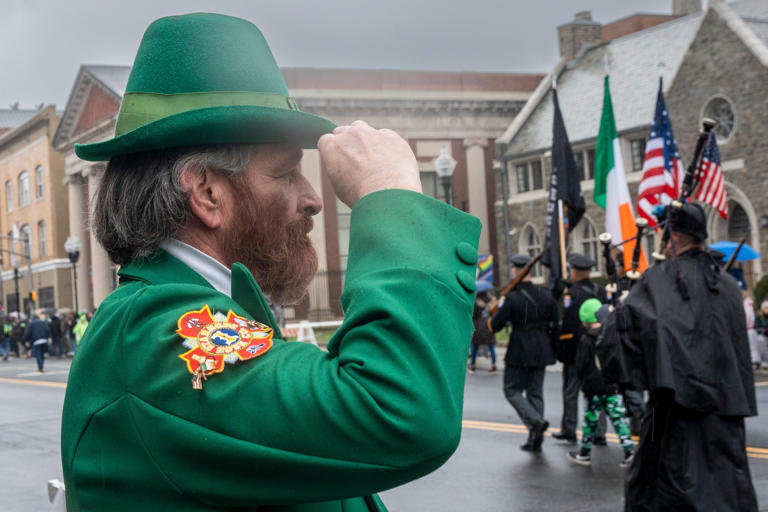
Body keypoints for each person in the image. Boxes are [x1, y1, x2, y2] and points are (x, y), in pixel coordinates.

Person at [61, 13, 481, 512]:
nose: (312, 199)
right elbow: (396, 411)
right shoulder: (154, 334)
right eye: (285, 174)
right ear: (208, 193)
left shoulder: (204, 315)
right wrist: (390, 199)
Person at [612, 203, 758, 511]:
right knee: (724, 494)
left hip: (677, 416)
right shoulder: (730, 286)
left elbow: (623, 341)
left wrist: (618, 314)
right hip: (726, 415)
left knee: (670, 496)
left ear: (675, 238)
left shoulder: (659, 280)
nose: (664, 245)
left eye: (666, 238)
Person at [489, 254, 557, 451]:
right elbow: (554, 322)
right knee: (535, 393)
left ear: (515, 270)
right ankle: (535, 439)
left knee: (511, 390)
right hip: (542, 348)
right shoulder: (546, 295)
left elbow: (495, 326)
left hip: (520, 350)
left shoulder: (511, 297)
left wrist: (492, 316)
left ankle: (535, 422)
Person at [567, 299, 634, 468]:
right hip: (612, 386)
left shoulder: (586, 339)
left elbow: (581, 365)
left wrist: (582, 380)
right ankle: (630, 452)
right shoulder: (611, 334)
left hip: (593, 389)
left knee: (590, 421)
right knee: (619, 420)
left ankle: (584, 453)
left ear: (585, 320)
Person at [551, 253, 607, 444]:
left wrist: (562, 350)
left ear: (575, 272)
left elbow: (567, 326)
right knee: (597, 390)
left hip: (576, 350)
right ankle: (600, 433)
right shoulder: (600, 290)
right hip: (598, 348)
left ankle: (569, 429)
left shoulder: (572, 294)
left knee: (571, 391)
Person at [468, 289, 497, 374]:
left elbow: (473, 316)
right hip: (489, 327)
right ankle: (493, 366)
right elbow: (494, 314)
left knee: (474, 346)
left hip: (478, 329)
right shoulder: (490, 303)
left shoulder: (476, 304)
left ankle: (472, 366)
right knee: (491, 347)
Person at [756, 300, 768, 368]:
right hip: (761, 335)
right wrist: (763, 330)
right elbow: (756, 327)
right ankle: (761, 361)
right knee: (761, 340)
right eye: (766, 308)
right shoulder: (759, 316)